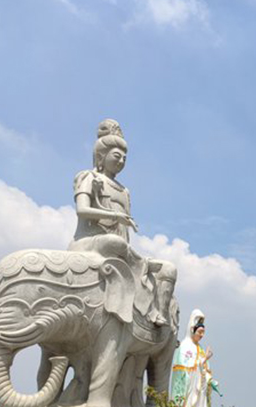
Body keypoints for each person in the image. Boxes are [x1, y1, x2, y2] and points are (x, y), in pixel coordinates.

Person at [68, 119, 176, 326]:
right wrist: (116, 217)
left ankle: (160, 322)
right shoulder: (88, 177)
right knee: (115, 243)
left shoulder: (124, 191)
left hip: (119, 248)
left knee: (167, 269)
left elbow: (123, 235)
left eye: (125, 158)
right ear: (101, 156)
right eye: (117, 156)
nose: (121, 161)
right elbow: (81, 211)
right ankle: (147, 305)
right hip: (89, 241)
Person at [172, 309, 217, 407]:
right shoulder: (184, 347)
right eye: (200, 332)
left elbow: (204, 369)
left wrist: (210, 380)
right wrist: (204, 360)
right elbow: (184, 369)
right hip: (189, 386)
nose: (202, 335)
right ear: (192, 330)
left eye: (203, 332)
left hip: (200, 388)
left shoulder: (200, 348)